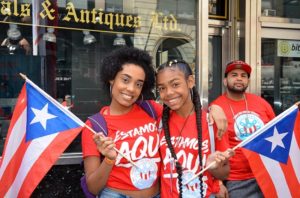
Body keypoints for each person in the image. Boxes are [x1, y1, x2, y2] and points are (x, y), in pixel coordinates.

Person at [81, 47, 228, 197]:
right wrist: (109, 159)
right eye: (125, 80)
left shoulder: (151, 110)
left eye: (138, 84)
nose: (131, 89)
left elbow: (183, 109)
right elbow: (93, 187)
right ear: (111, 78)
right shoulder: (95, 126)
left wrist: (214, 108)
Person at [156, 59, 233, 198]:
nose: (168, 92)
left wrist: (214, 168)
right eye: (162, 88)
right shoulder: (159, 122)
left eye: (175, 84)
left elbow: (225, 172)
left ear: (190, 81)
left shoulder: (211, 122)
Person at [211, 60, 275, 198]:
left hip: (266, 174)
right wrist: (219, 183)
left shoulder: (261, 103)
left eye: (243, 75)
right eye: (234, 75)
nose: (239, 78)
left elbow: (275, 132)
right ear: (225, 81)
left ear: (248, 81)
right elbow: (213, 147)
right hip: (237, 180)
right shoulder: (217, 107)